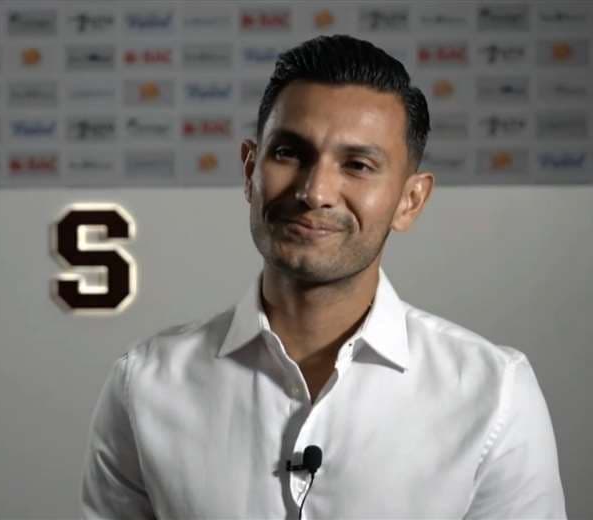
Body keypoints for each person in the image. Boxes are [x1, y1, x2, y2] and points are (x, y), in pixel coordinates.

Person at [82, 34, 566, 519]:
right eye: (289, 153)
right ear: (250, 170)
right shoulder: (143, 385)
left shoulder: (494, 394)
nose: (315, 192)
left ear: (410, 200)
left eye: (357, 165)